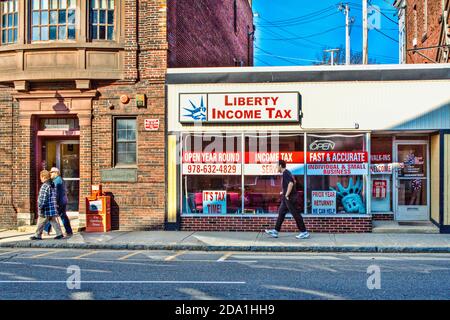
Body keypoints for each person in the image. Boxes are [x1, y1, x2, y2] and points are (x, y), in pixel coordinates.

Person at [265, 160, 310, 239]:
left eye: (276, 165)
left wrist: (286, 194)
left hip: (290, 198)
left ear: (280, 166)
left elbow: (291, 183)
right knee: (281, 213)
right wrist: (283, 192)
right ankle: (275, 231)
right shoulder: (287, 173)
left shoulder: (286, 173)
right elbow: (290, 183)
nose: (276, 167)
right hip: (286, 198)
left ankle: (304, 232)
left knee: (296, 214)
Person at [30, 170, 64, 240]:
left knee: (41, 222)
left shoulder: (45, 186)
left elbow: (43, 198)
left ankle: (37, 235)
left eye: (41, 177)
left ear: (43, 177)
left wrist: (41, 207)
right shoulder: (52, 184)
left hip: (46, 209)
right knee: (53, 221)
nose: (40, 179)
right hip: (52, 208)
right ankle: (59, 234)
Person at [44, 167, 73, 236]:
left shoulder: (57, 181)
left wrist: (55, 203)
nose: (50, 173)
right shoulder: (59, 179)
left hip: (59, 202)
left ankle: (46, 230)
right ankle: (69, 231)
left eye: (51, 172)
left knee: (52, 215)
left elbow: (56, 193)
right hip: (62, 201)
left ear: (56, 173)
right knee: (63, 216)